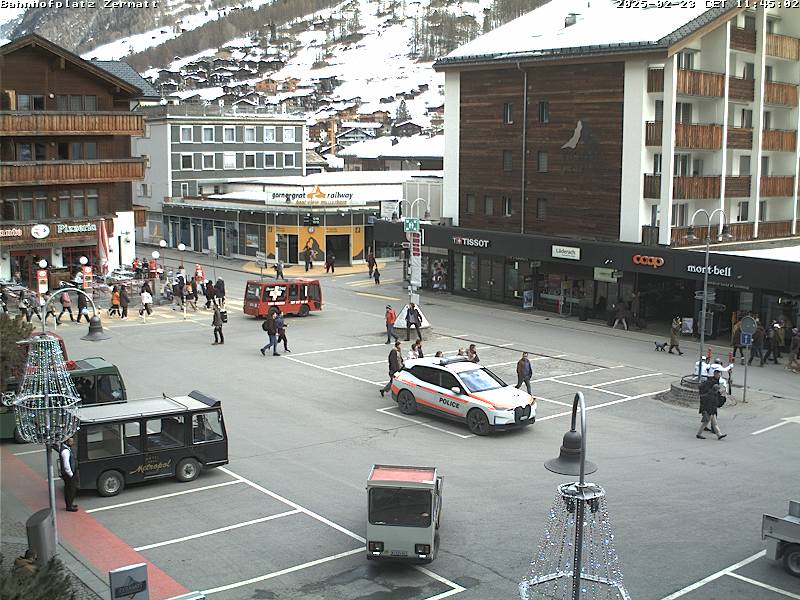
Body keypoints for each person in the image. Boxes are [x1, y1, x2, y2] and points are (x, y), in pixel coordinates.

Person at [696, 371, 727, 440]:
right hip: (710, 412)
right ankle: (698, 434)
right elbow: (711, 404)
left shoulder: (713, 394)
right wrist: (709, 412)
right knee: (705, 424)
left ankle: (719, 435)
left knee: (714, 424)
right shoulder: (711, 396)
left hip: (711, 412)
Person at [59, 438, 78, 511]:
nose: (72, 442)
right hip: (68, 474)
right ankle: (69, 506)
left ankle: (70, 504)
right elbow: (66, 464)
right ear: (66, 442)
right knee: (70, 490)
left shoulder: (66, 449)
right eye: (71, 441)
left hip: (68, 474)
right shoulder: (65, 451)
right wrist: (71, 474)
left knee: (70, 489)